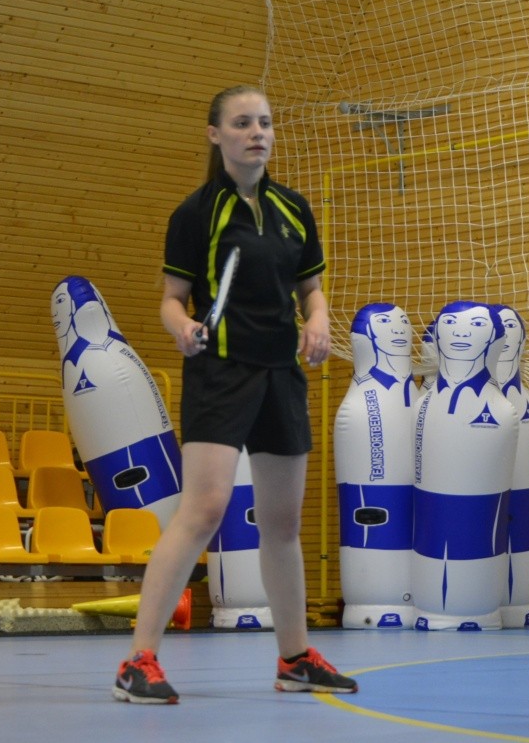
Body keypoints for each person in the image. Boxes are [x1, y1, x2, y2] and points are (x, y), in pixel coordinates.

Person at [113, 85, 358, 704]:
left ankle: (295, 658)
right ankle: (138, 661)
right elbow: (172, 300)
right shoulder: (195, 214)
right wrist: (182, 328)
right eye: (243, 123)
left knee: (282, 525)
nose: (257, 133)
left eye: (265, 123)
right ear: (215, 134)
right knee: (203, 511)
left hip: (281, 373)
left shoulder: (293, 208)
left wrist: (318, 321)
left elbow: (311, 289)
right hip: (220, 372)